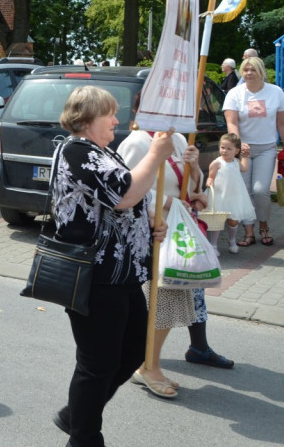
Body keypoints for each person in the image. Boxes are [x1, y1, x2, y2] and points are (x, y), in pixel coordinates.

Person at [49, 86, 171, 445]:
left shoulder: (103, 152)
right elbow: (123, 193)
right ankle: (84, 436)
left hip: (124, 274)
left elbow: (130, 201)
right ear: (87, 119)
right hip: (94, 276)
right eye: (110, 114)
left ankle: (75, 413)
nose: (117, 121)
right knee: (97, 365)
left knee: (134, 351)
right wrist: (156, 153)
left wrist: (149, 221)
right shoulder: (76, 152)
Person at [119, 122, 233, 400]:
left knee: (167, 300)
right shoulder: (136, 142)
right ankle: (148, 366)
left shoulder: (181, 139)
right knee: (161, 300)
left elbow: (192, 189)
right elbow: (126, 188)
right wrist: (169, 201)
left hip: (177, 232)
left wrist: (194, 170)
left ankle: (147, 362)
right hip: (152, 231)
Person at [222, 56, 284, 246]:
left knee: (260, 190)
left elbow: (283, 124)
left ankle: (264, 226)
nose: (249, 73)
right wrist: (239, 143)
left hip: (266, 148)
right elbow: (231, 123)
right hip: (243, 150)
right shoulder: (235, 94)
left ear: (261, 72)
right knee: (244, 191)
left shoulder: (275, 93)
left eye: (253, 70)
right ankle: (249, 232)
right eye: (246, 70)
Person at [207, 133, 254, 254]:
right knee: (217, 220)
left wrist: (246, 157)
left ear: (236, 150)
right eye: (222, 147)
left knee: (233, 220)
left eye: (229, 148)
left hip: (234, 195)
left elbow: (244, 169)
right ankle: (213, 245)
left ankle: (232, 240)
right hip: (220, 195)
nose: (225, 151)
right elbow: (211, 176)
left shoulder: (236, 162)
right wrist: (210, 180)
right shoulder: (216, 163)